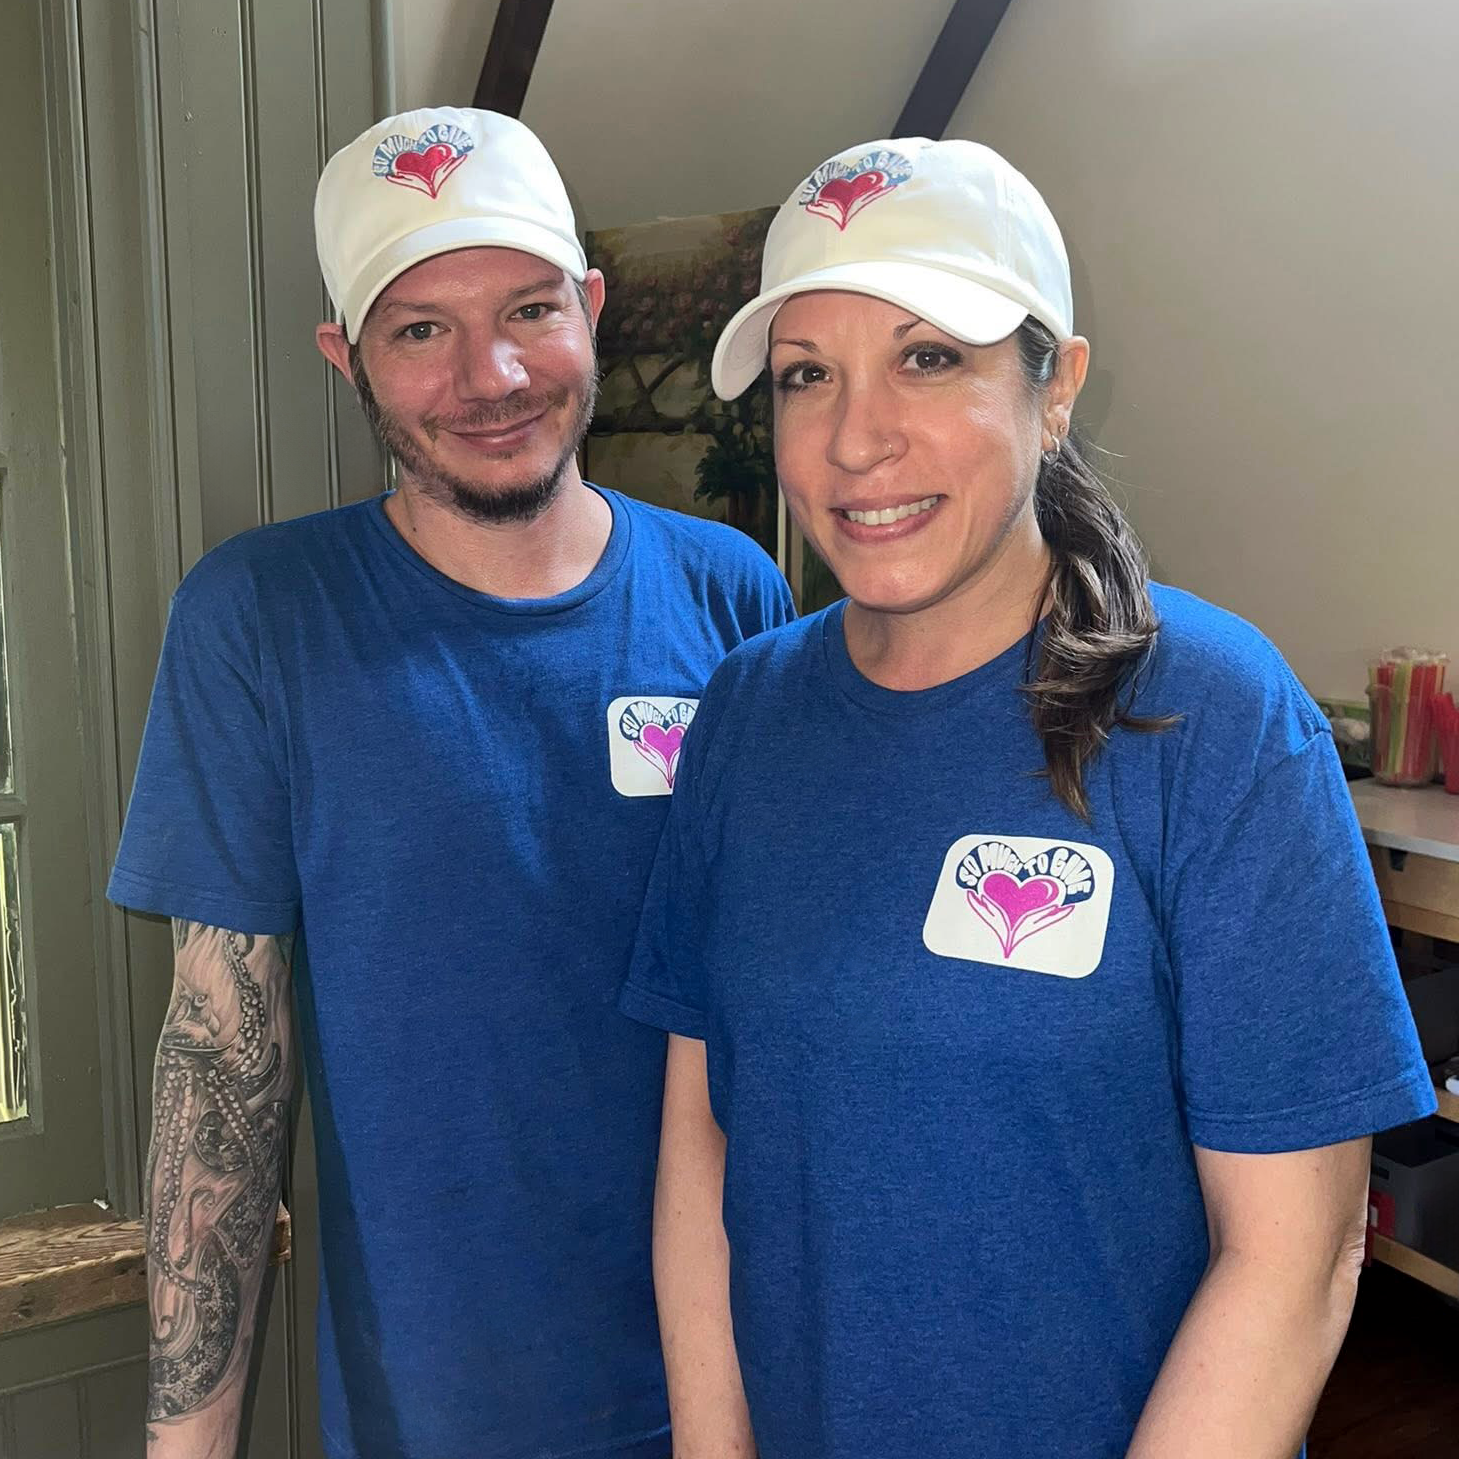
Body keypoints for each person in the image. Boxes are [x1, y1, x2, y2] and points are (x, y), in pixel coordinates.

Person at [621, 137, 1435, 1459]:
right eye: (805, 375)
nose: (855, 437)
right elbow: (698, 1144)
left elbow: (1290, 1254)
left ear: (1053, 385)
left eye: (928, 357)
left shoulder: (1215, 716)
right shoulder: (745, 716)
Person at [109, 106, 793, 1459]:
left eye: (530, 308)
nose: (489, 372)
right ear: (345, 358)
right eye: (419, 328)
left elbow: (775, 997)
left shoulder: (733, 596)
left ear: (591, 310)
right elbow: (223, 1060)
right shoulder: (262, 616)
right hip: (440, 1398)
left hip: (741, 1375)